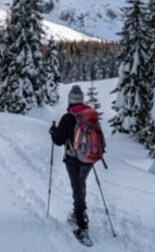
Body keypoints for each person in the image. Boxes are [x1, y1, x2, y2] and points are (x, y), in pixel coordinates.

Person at [49, 84, 104, 242]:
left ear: (70, 100)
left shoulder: (68, 118)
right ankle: (78, 213)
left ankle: (82, 225)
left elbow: (58, 141)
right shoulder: (90, 115)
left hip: (73, 159)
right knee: (80, 186)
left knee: (78, 189)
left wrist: (53, 131)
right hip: (89, 159)